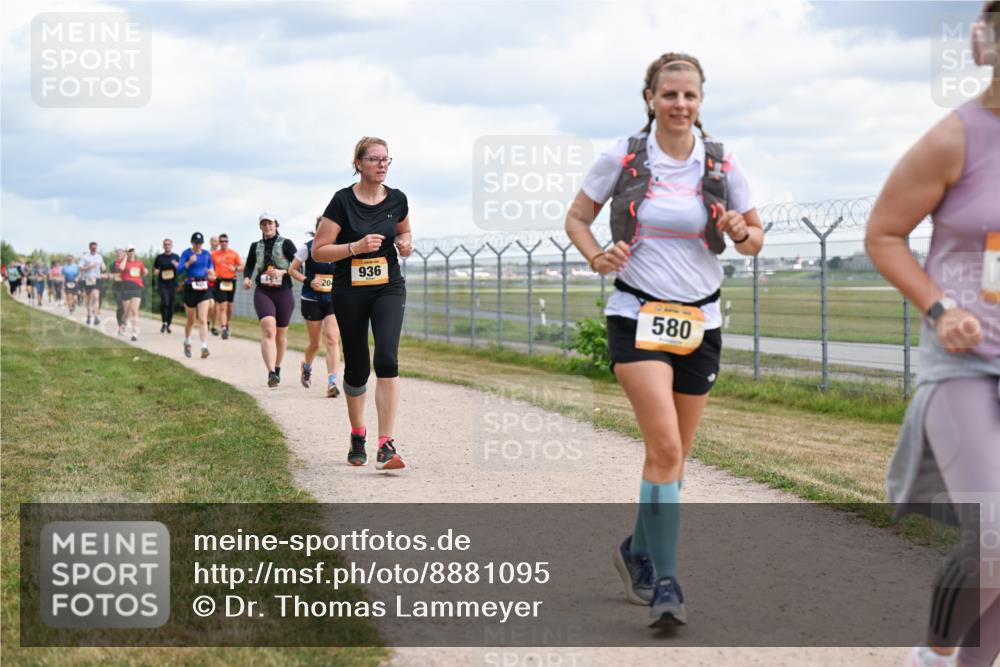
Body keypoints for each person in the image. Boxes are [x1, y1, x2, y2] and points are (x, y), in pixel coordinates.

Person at [565, 53, 762, 628]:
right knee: (666, 450)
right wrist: (597, 255)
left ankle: (636, 551)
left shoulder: (723, 163)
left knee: (674, 461)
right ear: (649, 97)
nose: (680, 105)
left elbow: (754, 241)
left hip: (701, 321)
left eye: (690, 96)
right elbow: (576, 218)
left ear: (701, 102)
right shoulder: (623, 157)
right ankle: (668, 583)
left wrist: (738, 229)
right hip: (636, 313)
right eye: (669, 94)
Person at [866, 4, 1000, 667]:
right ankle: (933, 653)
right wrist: (940, 305)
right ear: (987, 43)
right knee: (995, 535)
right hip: (965, 363)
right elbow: (883, 234)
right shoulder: (956, 138)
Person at [313, 136, 412, 471]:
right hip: (350, 290)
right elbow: (319, 250)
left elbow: (403, 231)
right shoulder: (342, 202)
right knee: (357, 367)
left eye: (387, 159)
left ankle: (386, 444)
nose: (382, 164)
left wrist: (405, 243)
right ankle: (358, 435)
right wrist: (354, 247)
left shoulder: (397, 199)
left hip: (388, 286)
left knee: (386, 357)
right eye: (374, 159)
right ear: (358, 164)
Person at [289, 217, 342, 397]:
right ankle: (306, 366)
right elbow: (292, 269)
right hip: (312, 298)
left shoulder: (340, 248)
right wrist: (308, 281)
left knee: (333, 339)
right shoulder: (308, 247)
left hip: (334, 298)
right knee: (315, 343)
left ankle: (332, 382)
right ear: (318, 229)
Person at [243, 214, 297, 387]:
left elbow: (298, 265)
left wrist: (282, 272)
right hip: (263, 291)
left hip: (283, 292)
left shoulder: (286, 243)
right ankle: (271, 372)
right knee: (268, 331)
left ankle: (278, 366)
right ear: (260, 227)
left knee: (281, 334)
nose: (267, 226)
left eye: (270, 223)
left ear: (276, 224)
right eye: (264, 224)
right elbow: (249, 265)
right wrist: (246, 278)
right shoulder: (255, 246)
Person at [177, 232, 215, 358]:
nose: (198, 245)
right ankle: (187, 341)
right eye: (196, 243)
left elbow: (210, 266)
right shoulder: (186, 253)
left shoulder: (206, 254)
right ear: (192, 243)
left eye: (200, 243)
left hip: (203, 287)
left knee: (203, 319)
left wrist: (211, 271)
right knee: (190, 320)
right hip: (190, 287)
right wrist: (188, 263)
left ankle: (204, 347)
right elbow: (179, 270)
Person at [211, 233, 243, 340]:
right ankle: (224, 328)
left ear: (228, 242)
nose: (224, 243)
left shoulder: (234, 253)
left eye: (226, 241)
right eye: (222, 241)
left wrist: (235, 269)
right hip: (220, 281)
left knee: (229, 307)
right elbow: (209, 266)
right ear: (219, 243)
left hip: (231, 281)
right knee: (222, 306)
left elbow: (242, 266)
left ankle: (226, 323)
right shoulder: (214, 254)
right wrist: (212, 274)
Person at [117, 245, 148, 341]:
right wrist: (125, 257)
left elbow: (143, 272)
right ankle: (123, 324)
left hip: (136, 288)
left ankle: (135, 333)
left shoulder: (139, 262)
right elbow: (121, 268)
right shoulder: (122, 261)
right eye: (129, 250)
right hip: (126, 287)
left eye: (132, 250)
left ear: (134, 251)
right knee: (127, 312)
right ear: (126, 252)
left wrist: (145, 271)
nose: (131, 252)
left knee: (134, 311)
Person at [153, 239, 180, 333]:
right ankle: (164, 322)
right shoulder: (159, 257)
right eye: (165, 244)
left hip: (172, 284)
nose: (167, 246)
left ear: (172, 245)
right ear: (163, 246)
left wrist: (176, 265)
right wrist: (156, 271)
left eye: (169, 244)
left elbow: (180, 268)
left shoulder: (176, 256)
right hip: (162, 283)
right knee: (165, 302)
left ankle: (168, 324)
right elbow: (155, 268)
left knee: (171, 304)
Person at [79, 242, 105, 325]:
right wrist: (89, 266)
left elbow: (103, 267)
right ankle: (89, 315)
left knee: (96, 297)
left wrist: (103, 268)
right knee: (89, 298)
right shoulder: (85, 257)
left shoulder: (99, 257)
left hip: (97, 278)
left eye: (95, 248)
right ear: (89, 248)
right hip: (88, 278)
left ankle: (96, 316)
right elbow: (81, 268)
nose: (94, 249)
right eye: (93, 248)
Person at [110, 248, 127, 335]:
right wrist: (111, 276)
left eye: (121, 253)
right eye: (118, 253)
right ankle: (120, 325)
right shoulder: (113, 264)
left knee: (126, 307)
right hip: (116, 288)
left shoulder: (128, 263)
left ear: (124, 254)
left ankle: (124, 321)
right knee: (120, 306)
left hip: (127, 288)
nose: (119, 254)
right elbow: (111, 275)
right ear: (116, 254)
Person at [208, 235, 220, 336]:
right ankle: (206, 320)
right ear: (210, 242)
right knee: (210, 305)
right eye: (214, 241)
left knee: (216, 306)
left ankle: (213, 326)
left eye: (217, 241)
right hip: (208, 283)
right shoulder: (207, 254)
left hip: (219, 283)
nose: (216, 243)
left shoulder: (222, 255)